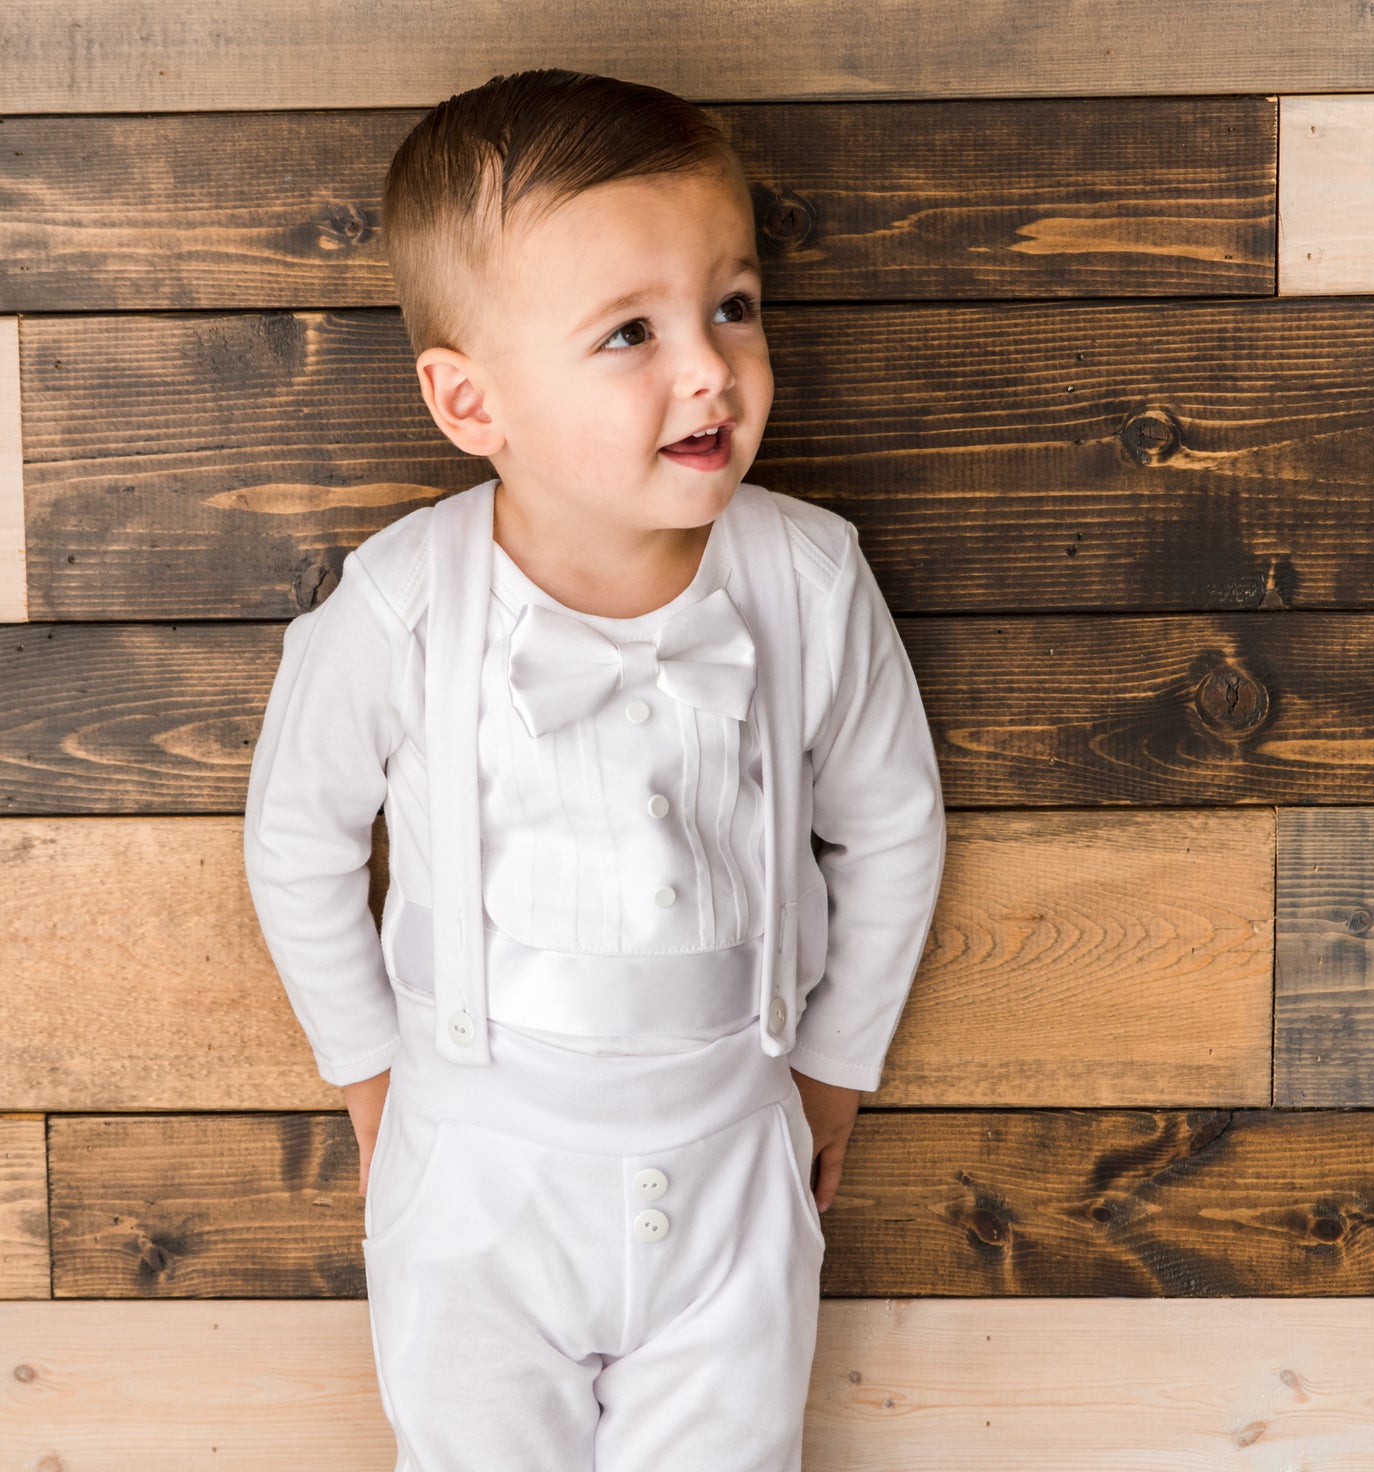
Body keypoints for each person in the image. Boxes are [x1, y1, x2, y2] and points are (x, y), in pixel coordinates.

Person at [243, 68, 944, 1471]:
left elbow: (892, 829)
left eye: (731, 305)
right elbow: (296, 840)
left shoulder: (808, 577)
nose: (710, 369)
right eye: (630, 332)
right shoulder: (401, 605)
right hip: (477, 1167)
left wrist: (833, 1071)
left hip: (734, 1152)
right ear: (470, 400)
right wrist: (371, 1077)